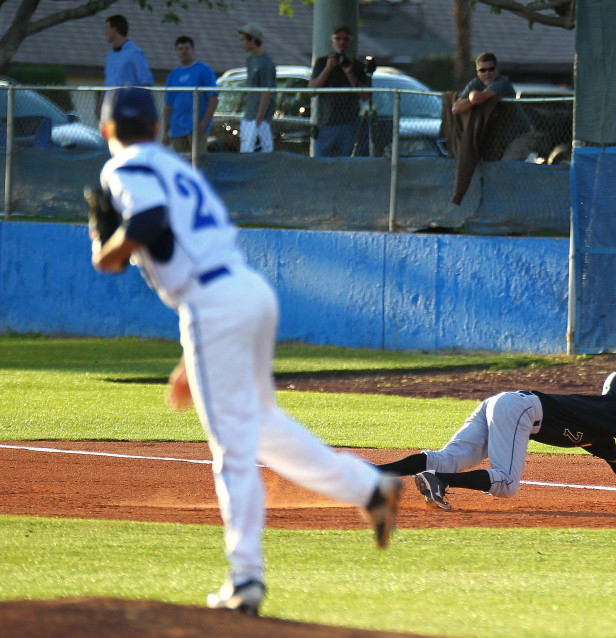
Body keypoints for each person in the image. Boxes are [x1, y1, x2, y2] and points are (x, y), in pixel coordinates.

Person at [90, 87, 402, 616]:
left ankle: (245, 580)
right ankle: (370, 488)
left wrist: (107, 252)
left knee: (233, 448)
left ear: (105, 131)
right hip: (244, 290)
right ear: (160, 127)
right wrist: (194, 355)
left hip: (214, 301)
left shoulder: (124, 166)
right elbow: (181, 241)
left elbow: (148, 225)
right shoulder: (173, 164)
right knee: (261, 427)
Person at [376, 370, 616, 510]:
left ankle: (373, 473)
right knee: (506, 484)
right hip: (522, 410)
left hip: (506, 404)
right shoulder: (612, 411)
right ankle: (436, 481)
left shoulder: (602, 427)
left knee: (448, 457)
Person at [309, 25, 372, 157]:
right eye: (338, 39)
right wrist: (328, 68)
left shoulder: (357, 66)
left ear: (350, 42)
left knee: (346, 162)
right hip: (326, 123)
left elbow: (365, 95)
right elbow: (312, 91)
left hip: (349, 123)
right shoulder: (322, 62)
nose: (341, 43)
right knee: (322, 162)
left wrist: (349, 72)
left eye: (345, 39)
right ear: (332, 42)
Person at [162, 36, 219, 157]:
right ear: (176, 52)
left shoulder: (204, 71)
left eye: (186, 48)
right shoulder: (173, 75)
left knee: (198, 162)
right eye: (180, 49)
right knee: (182, 164)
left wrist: (203, 125)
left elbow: (213, 99)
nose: (183, 51)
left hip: (196, 127)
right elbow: (168, 105)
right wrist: (165, 131)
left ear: (193, 50)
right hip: (177, 128)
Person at [237, 22, 276, 153]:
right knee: (246, 149)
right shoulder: (250, 60)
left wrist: (258, 119)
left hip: (261, 117)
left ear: (252, 40)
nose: (241, 43)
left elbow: (267, 92)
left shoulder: (266, 63)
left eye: (243, 40)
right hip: (249, 113)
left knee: (266, 149)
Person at [451, 52, 515, 117]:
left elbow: (477, 98)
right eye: (482, 70)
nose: (487, 73)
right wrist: (472, 98)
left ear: (496, 69)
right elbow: (456, 108)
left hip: (514, 124)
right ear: (477, 72)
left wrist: (472, 95)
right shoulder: (475, 83)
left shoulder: (502, 82)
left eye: (491, 69)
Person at [103, 14, 153, 88]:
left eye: (107, 29)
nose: (105, 33)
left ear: (114, 30)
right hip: (111, 98)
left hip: (129, 98)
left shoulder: (135, 53)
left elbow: (146, 82)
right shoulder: (110, 55)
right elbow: (107, 84)